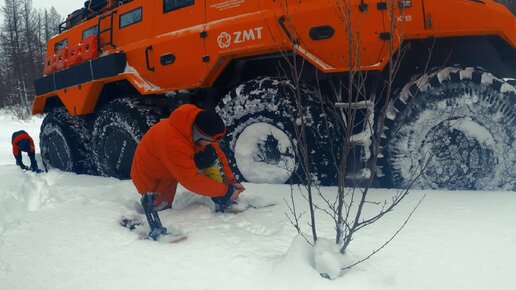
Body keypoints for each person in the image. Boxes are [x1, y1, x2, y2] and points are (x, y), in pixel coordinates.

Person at [130, 104, 245, 240]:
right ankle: (141, 225)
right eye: (208, 141)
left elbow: (218, 154)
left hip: (171, 162)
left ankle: (222, 200)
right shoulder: (173, 142)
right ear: (198, 136)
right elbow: (192, 181)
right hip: (151, 175)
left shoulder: (197, 125)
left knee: (209, 154)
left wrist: (230, 183)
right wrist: (226, 191)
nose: (210, 144)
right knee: (162, 210)